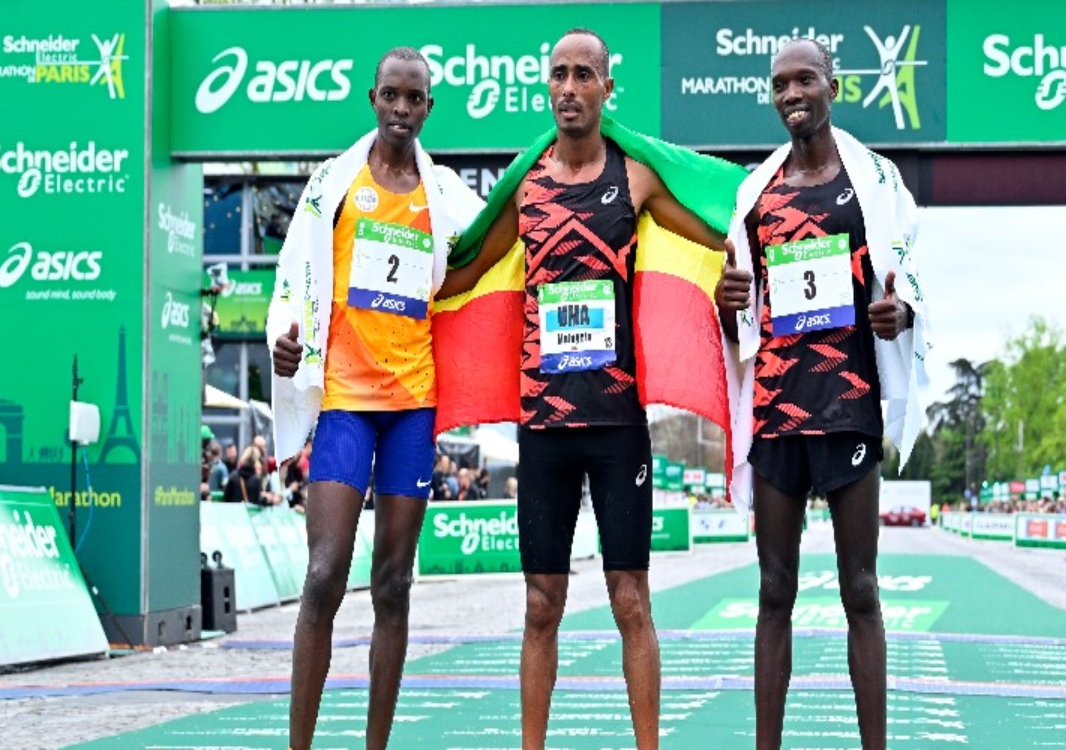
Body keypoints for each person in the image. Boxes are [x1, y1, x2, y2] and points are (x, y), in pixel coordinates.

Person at [439, 29, 728, 750]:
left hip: (617, 425)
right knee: (542, 604)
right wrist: (374, 296)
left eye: (583, 75)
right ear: (548, 86)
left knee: (631, 600)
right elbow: (469, 273)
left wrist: (756, 269)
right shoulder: (527, 184)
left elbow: (721, 239)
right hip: (542, 429)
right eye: (558, 75)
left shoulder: (635, 179)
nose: (568, 88)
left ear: (606, 88)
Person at [715, 39, 930, 750]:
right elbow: (740, 304)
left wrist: (902, 315)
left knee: (860, 591)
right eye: (780, 83)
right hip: (778, 409)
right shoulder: (755, 193)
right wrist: (725, 303)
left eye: (805, 79)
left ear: (833, 86)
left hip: (849, 405)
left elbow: (910, 275)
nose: (791, 93)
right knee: (774, 591)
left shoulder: (873, 179)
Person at [267, 47, 483, 749]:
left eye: (412, 98)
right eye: (389, 95)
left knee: (392, 584)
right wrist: (283, 336)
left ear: (427, 107)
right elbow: (292, 273)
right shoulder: (333, 182)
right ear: (373, 99)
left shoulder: (446, 194)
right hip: (344, 404)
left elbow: (496, 247)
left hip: (413, 408)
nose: (399, 108)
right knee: (326, 573)